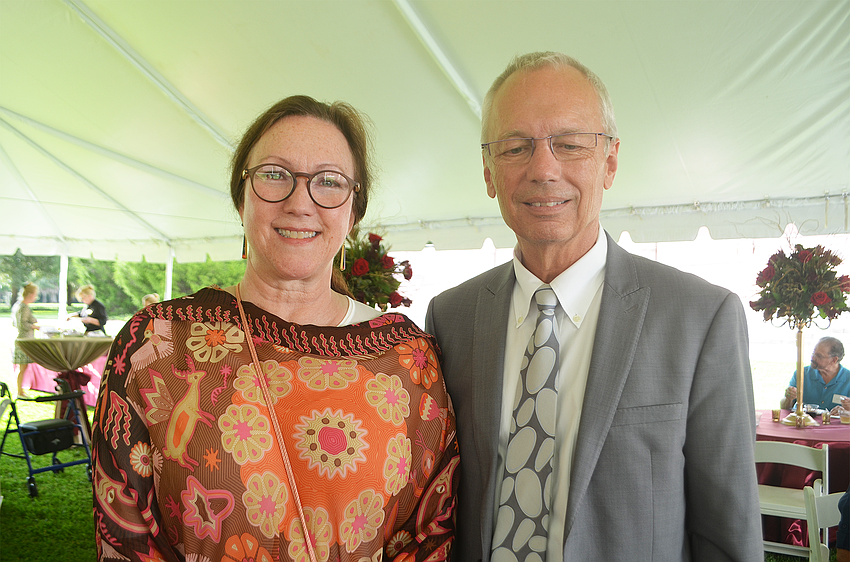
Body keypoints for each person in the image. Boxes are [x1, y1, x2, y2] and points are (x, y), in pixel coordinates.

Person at [425, 52, 762, 561]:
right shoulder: (450, 318)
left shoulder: (700, 319)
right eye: (516, 147)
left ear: (610, 162)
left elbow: (726, 534)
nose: (543, 169)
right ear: (489, 172)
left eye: (570, 145)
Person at [92, 95, 458, 562]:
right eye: (274, 175)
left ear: (353, 215)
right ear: (240, 200)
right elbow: (125, 532)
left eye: (328, 182)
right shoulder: (157, 346)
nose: (299, 202)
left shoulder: (409, 361)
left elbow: (430, 533)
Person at [780, 336, 849, 414]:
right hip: (804, 423)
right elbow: (784, 408)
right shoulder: (802, 373)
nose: (813, 358)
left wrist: (847, 411)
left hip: (835, 425)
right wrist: (788, 398)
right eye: (813, 353)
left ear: (834, 360)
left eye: (819, 356)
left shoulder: (848, 378)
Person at [12, 282, 39, 398]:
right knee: (22, 367)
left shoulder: (18, 305)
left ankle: (20, 390)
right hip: (24, 340)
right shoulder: (23, 307)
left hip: (22, 339)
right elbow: (21, 324)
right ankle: (19, 392)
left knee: (23, 367)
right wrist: (34, 326)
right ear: (31, 294)